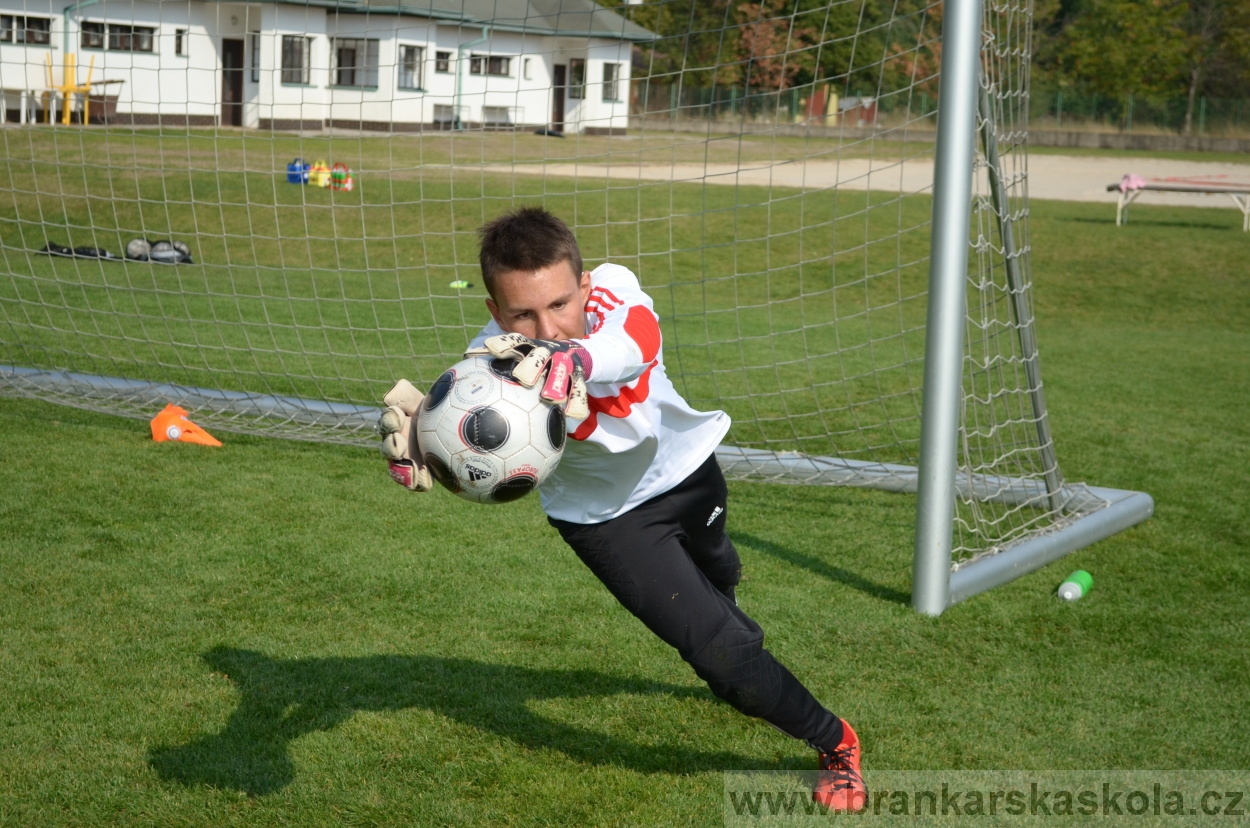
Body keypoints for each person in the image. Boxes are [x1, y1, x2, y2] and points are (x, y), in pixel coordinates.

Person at [378, 207, 865, 811]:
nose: (547, 327)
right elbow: (471, 433)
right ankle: (836, 742)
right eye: (523, 314)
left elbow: (637, 338)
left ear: (583, 286)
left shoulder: (613, 288)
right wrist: (430, 444)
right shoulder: (489, 366)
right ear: (495, 313)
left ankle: (726, 611)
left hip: (686, 469)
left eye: (560, 304)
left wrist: (575, 361)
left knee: (720, 568)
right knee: (723, 658)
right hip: (606, 519)